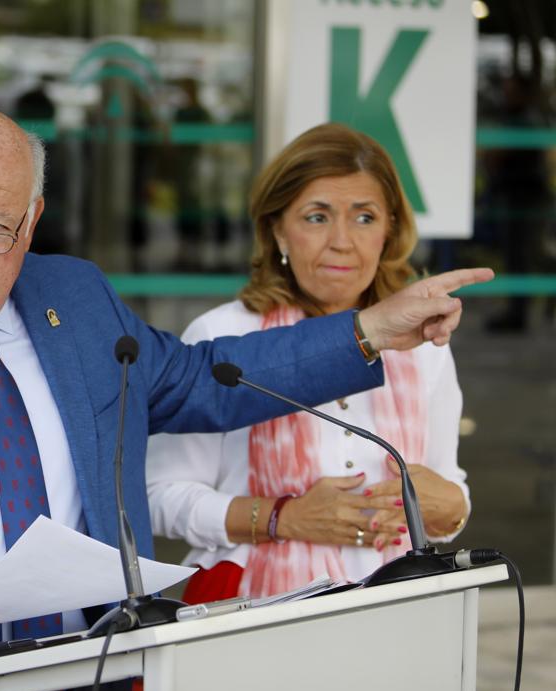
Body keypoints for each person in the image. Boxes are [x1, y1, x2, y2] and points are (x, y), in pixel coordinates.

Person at [0, 105, 490, 691]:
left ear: (34, 219)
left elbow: (202, 378)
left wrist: (370, 330)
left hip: (90, 672)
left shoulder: (74, 298)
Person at [146, 123, 472, 604]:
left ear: (390, 231)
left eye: (364, 218)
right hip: (252, 610)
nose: (342, 241)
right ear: (277, 229)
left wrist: (452, 508)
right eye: (317, 217)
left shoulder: (424, 345)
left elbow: (450, 489)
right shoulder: (223, 335)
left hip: (401, 605)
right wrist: (281, 517)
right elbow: (156, 497)